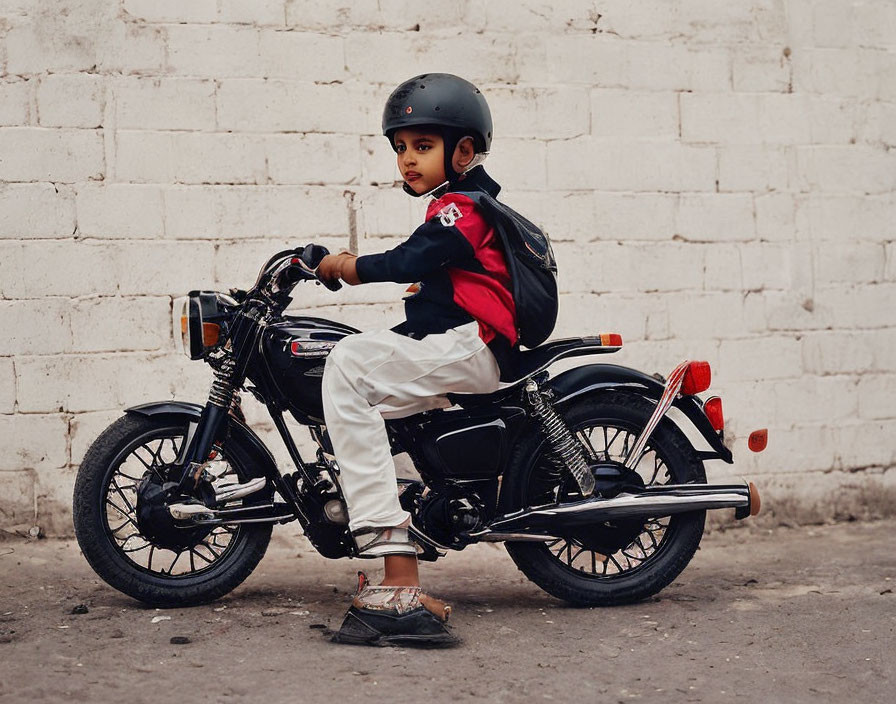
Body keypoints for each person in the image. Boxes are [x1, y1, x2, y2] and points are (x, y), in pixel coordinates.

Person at [315, 73, 521, 646]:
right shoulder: (454, 205)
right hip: (461, 342)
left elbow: (412, 259)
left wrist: (344, 265)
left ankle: (398, 576)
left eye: (422, 147)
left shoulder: (464, 209)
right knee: (378, 403)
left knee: (349, 366)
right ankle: (413, 526)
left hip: (474, 345)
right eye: (400, 147)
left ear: (463, 150)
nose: (407, 159)